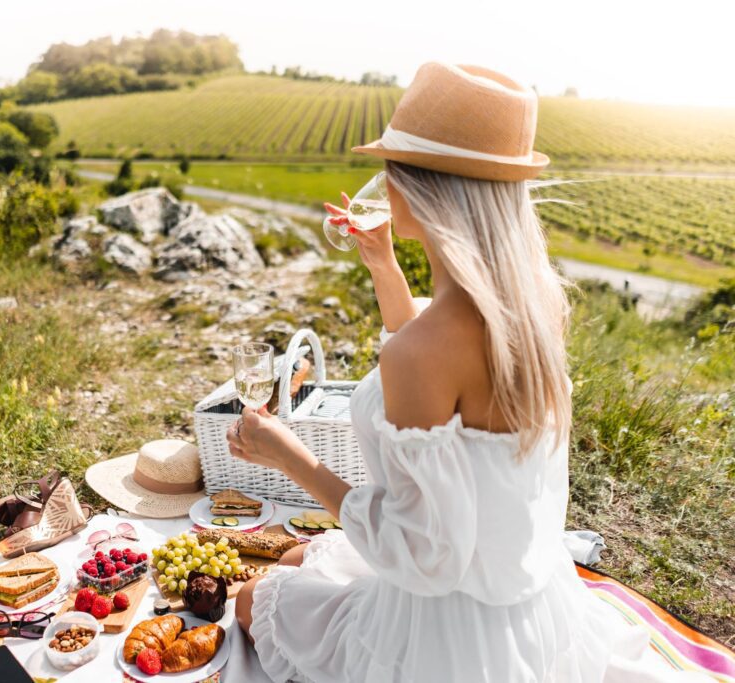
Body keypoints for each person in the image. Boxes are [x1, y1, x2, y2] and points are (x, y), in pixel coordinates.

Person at [227, 62, 709, 682]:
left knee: (252, 599)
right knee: (300, 554)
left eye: (391, 168)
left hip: (440, 632)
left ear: (423, 190)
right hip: (530, 599)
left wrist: (288, 456)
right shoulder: (531, 306)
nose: (383, 182)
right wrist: (385, 268)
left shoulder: (422, 352)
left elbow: (423, 555)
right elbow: (447, 374)